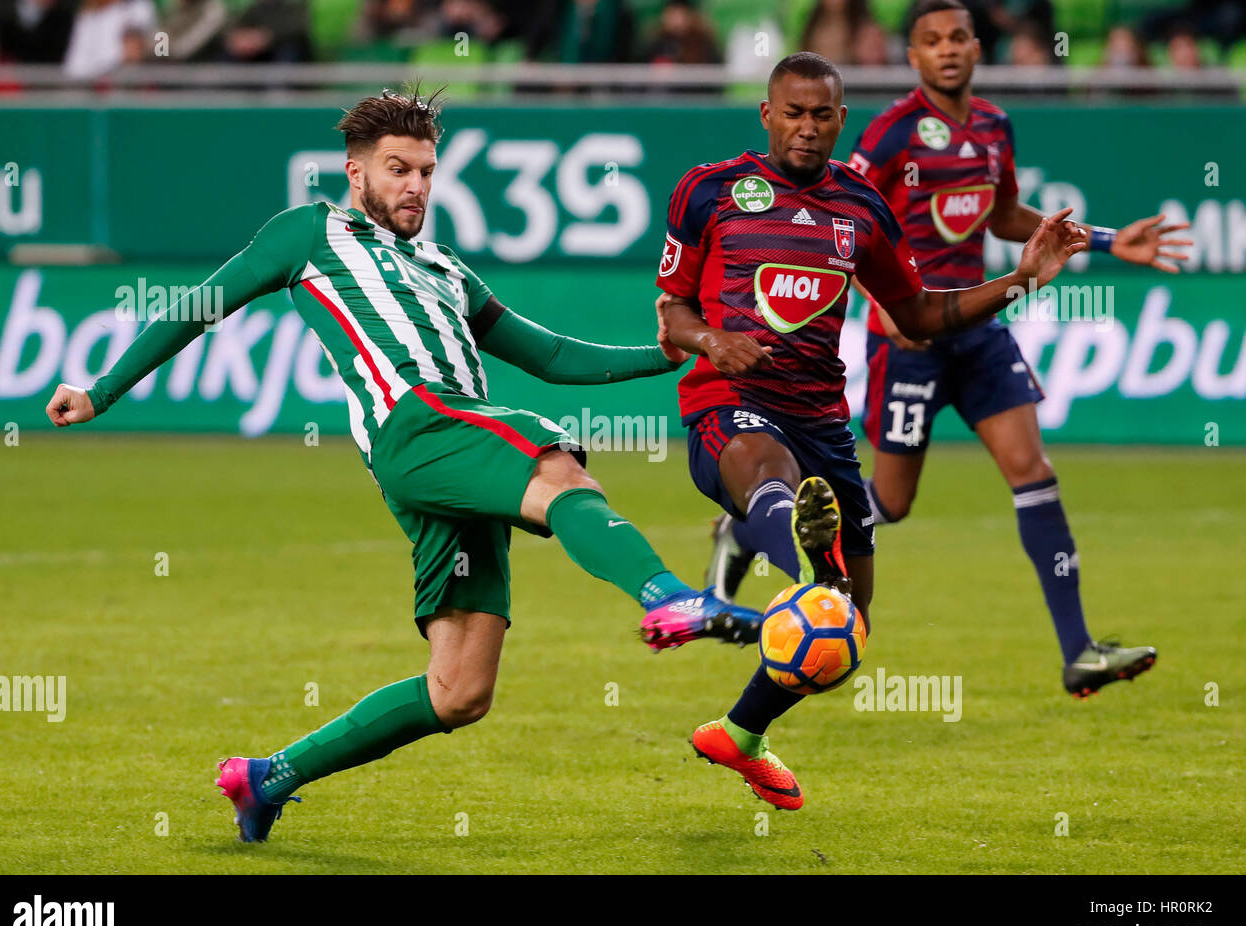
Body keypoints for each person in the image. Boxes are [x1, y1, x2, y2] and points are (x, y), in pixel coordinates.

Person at [44, 87, 764, 842]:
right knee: (559, 472)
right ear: (356, 172)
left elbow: (549, 354)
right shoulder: (309, 233)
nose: (415, 185)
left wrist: (678, 349)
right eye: (398, 169)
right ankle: (670, 597)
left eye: (425, 170)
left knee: (459, 691)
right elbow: (200, 304)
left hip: (454, 450)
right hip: (418, 423)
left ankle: (266, 777)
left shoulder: (446, 268)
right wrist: (100, 391)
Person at [655, 52, 1087, 808]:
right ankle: (800, 543)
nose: (807, 128)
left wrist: (1020, 278)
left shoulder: (860, 208)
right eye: (792, 112)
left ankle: (741, 732)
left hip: (822, 419)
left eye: (822, 115)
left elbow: (917, 314)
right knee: (767, 473)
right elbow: (671, 312)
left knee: (846, 631)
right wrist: (709, 340)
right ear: (766, 114)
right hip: (728, 403)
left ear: (839, 120)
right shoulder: (710, 190)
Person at [844, 0, 1189, 697]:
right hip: (910, 335)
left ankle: (1080, 651)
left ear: (977, 46)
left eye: (959, 37)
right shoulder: (888, 133)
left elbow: (1006, 217)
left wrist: (1103, 238)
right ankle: (769, 524)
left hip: (977, 324)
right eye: (932, 41)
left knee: (1033, 470)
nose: (947, 49)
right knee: (892, 501)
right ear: (912, 57)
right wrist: (883, 306)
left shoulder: (996, 127)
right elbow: (844, 223)